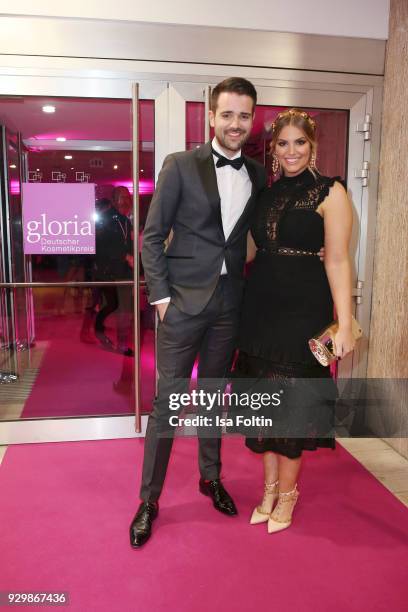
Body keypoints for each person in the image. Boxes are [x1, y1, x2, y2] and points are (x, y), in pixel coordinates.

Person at [129, 77, 267, 548]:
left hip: (229, 306)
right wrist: (162, 300)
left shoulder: (257, 173)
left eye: (244, 115)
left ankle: (210, 478)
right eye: (227, 114)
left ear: (252, 119)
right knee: (167, 405)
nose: (235, 123)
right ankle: (149, 500)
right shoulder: (180, 166)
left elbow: (243, 241)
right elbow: (151, 237)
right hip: (182, 306)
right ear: (210, 116)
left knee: (211, 400)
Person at [234, 108, 355, 534]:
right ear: (273, 149)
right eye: (282, 143)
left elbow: (339, 260)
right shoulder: (263, 193)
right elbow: (248, 252)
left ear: (312, 145)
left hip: (304, 311)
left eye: (299, 143)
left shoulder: (330, 191)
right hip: (261, 308)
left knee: (291, 411)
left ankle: (287, 496)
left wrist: (345, 321)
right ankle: (267, 491)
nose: (291, 151)